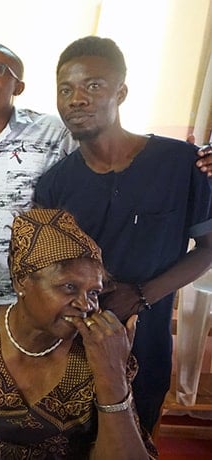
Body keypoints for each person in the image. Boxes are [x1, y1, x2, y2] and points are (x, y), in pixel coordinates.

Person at [0, 43, 212, 313]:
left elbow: (111, 144)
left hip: (34, 311)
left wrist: (197, 156)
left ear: (18, 86)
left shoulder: (53, 132)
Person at [34, 36, 212, 434]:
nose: (76, 99)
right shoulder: (55, 185)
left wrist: (143, 294)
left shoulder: (181, 164)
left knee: (135, 439)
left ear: (122, 92)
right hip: (71, 351)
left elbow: (207, 249)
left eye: (93, 85)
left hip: (145, 350)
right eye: (66, 89)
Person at [0, 208, 157, 459]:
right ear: (20, 281)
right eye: (69, 287)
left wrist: (111, 377)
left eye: (93, 292)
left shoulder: (100, 353)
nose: (86, 305)